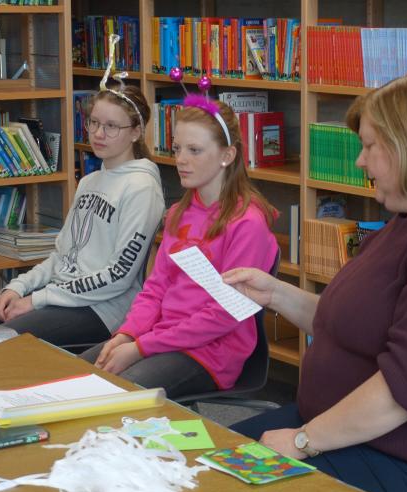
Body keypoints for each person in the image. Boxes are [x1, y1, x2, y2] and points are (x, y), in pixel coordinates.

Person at [224, 74, 407, 492]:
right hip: (346, 432)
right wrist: (275, 294)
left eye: (369, 147)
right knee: (207, 454)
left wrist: (302, 440)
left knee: (224, 487)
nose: (360, 162)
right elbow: (356, 322)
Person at [80, 95, 278, 399]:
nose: (181, 159)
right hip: (160, 337)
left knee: (112, 395)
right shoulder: (179, 214)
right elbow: (155, 288)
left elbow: (224, 315)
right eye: (177, 149)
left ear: (227, 155)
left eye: (194, 150)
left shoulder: (247, 223)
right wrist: (127, 334)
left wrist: (140, 348)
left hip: (209, 353)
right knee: (73, 375)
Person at [0, 83, 164, 348]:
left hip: (102, 310)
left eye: (111, 126)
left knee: (5, 344)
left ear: (136, 132)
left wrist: (36, 300)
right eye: (94, 122)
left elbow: (118, 275)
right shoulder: (89, 181)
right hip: (62, 297)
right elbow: (62, 256)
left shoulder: (142, 188)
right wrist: (19, 286)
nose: (98, 133)